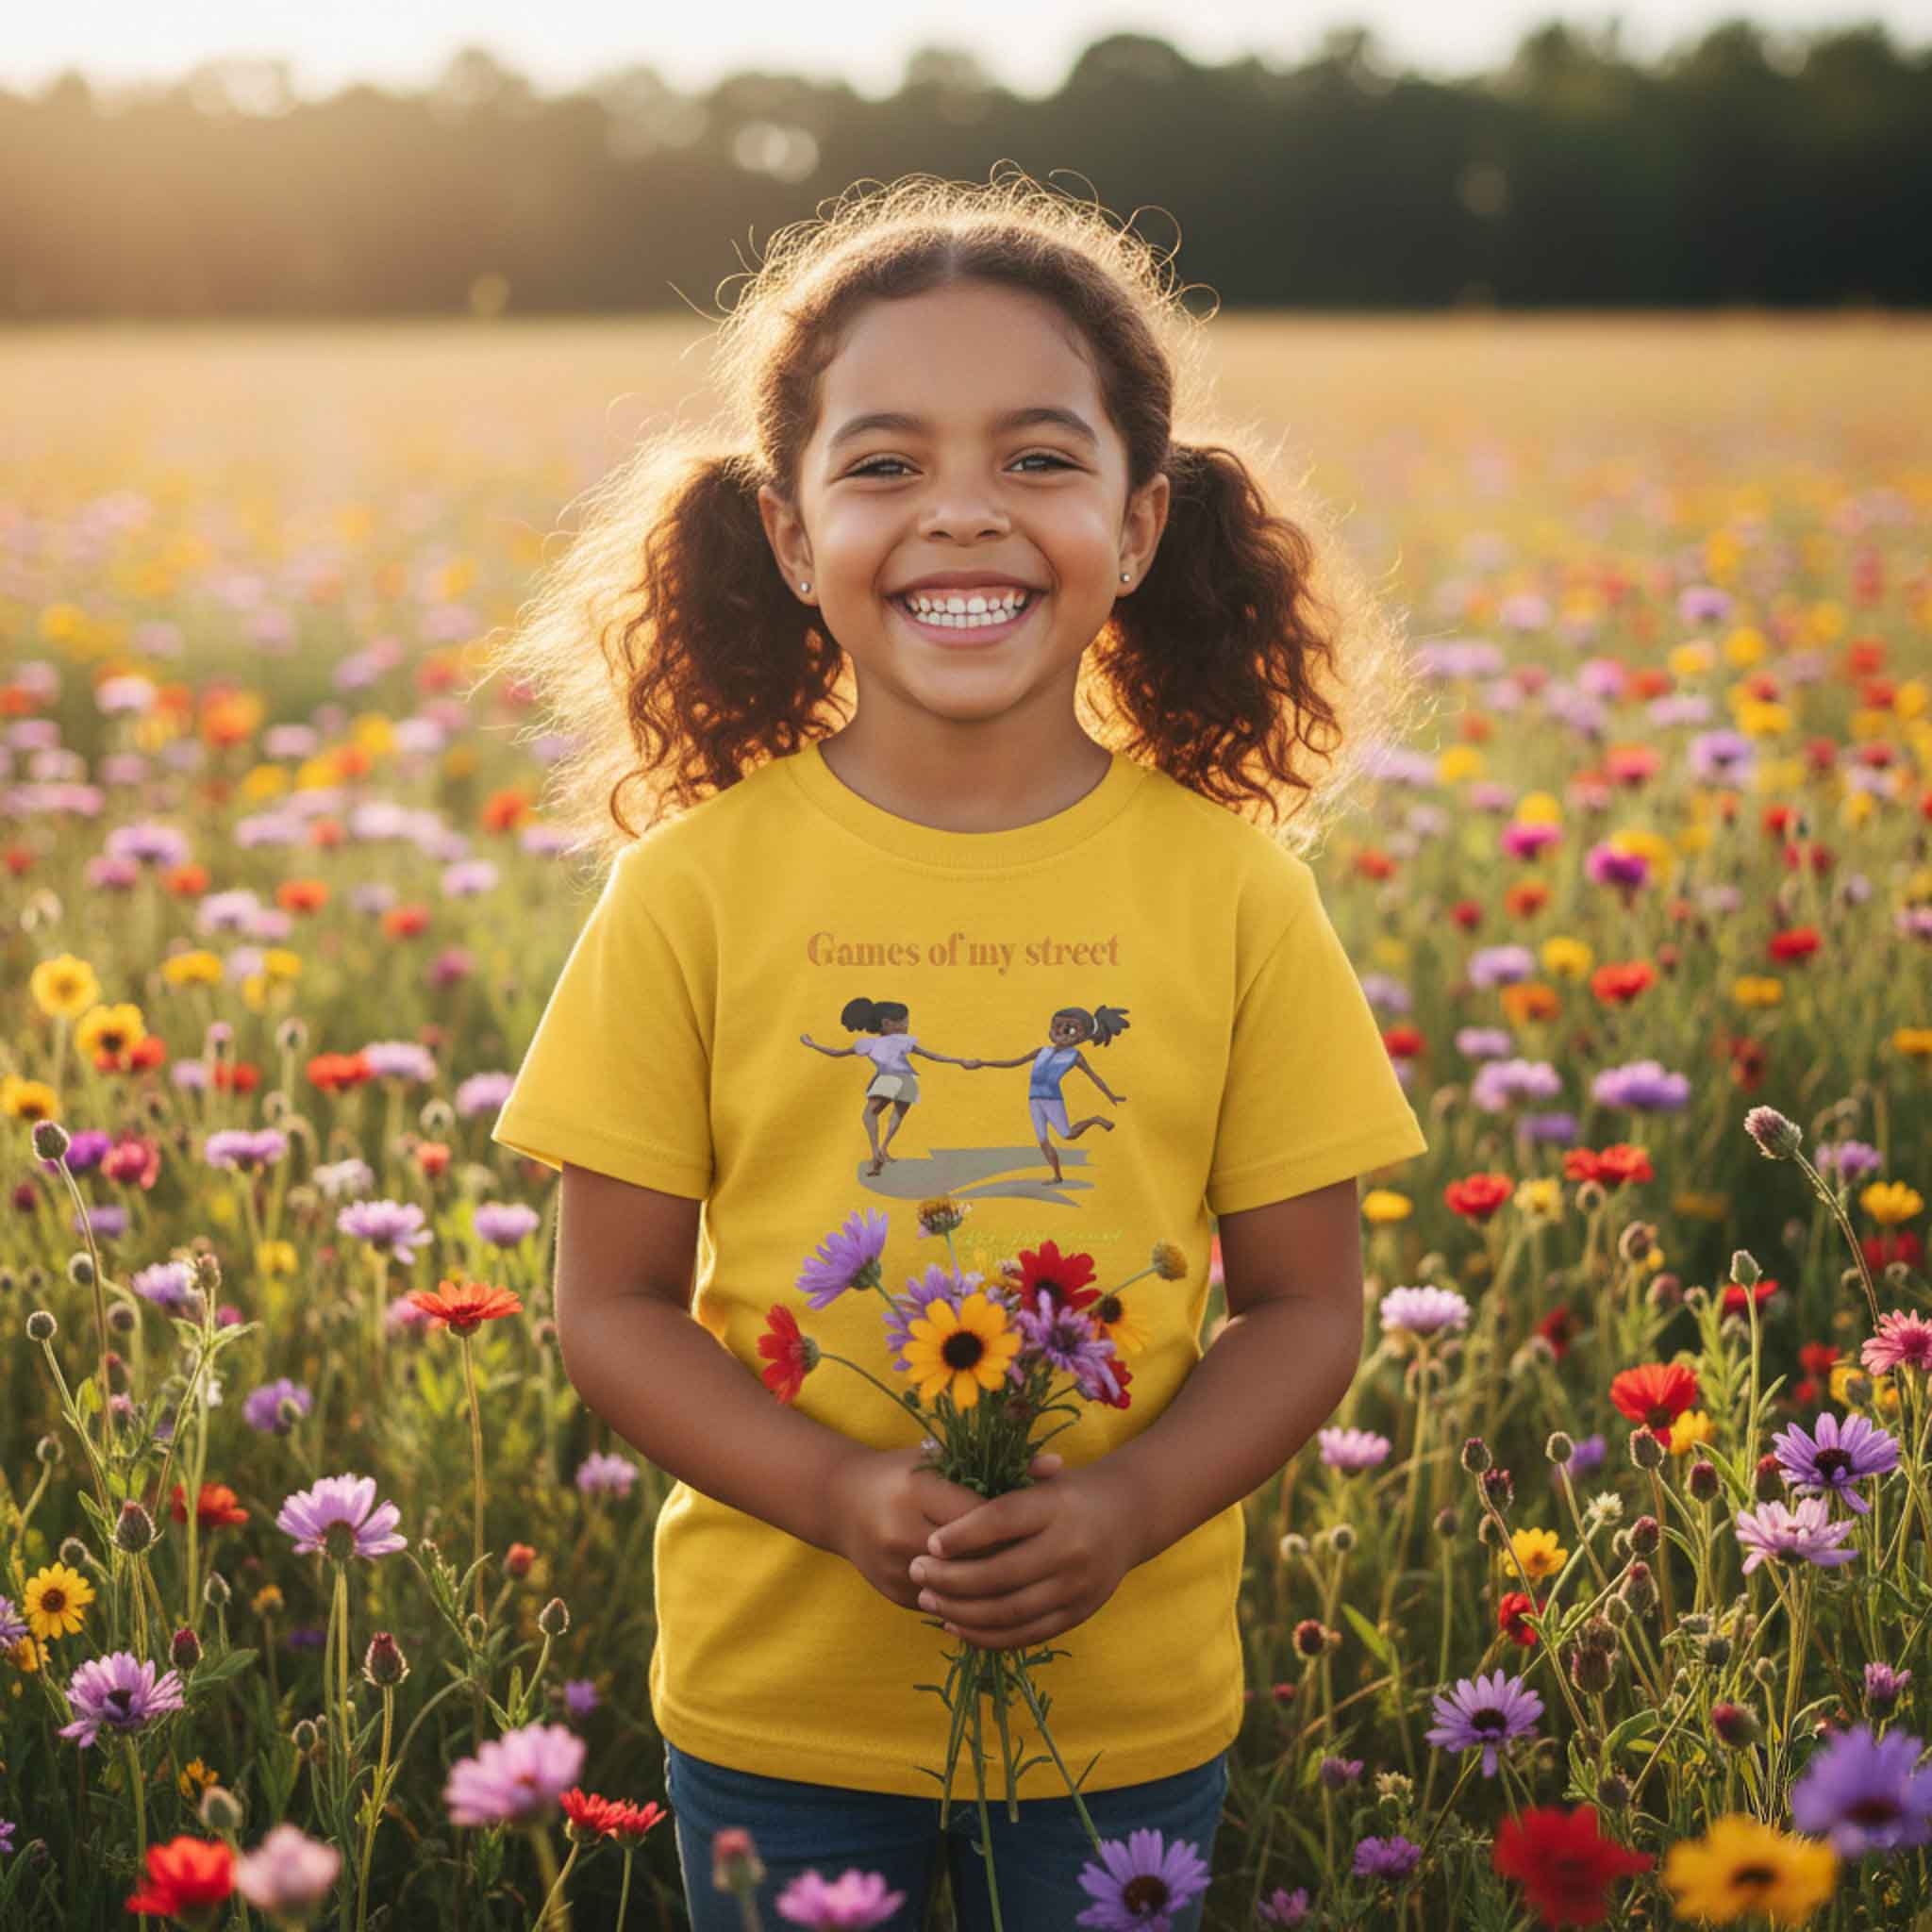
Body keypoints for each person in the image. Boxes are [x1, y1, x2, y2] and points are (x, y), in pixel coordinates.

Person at [488, 166, 1429, 1932]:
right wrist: (841, 1493)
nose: (966, 516)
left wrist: (1131, 1504)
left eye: (1041, 459)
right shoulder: (690, 889)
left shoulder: (1235, 894)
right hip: (784, 1710)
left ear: (1142, 527)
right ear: (787, 533)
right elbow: (606, 1303)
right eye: (887, 463)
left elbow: (1307, 1304)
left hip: (1125, 1717)